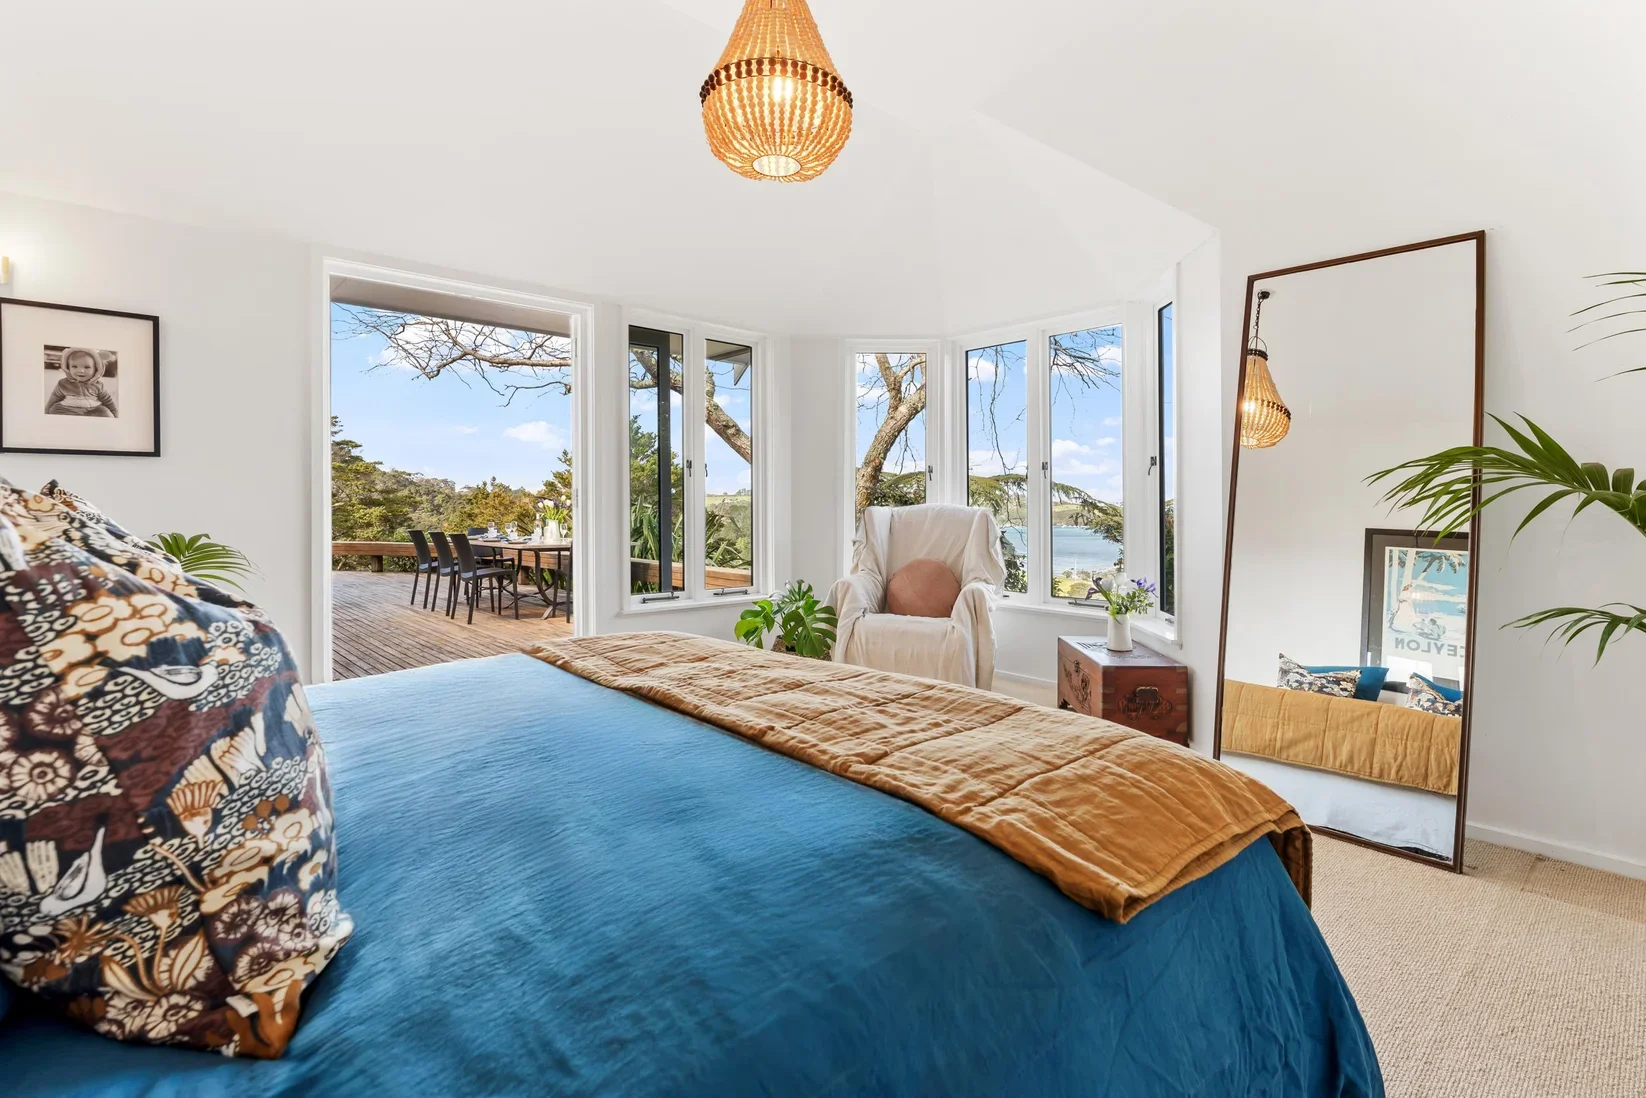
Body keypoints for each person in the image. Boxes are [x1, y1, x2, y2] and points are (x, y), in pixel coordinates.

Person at [45, 348, 117, 417]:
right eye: (74, 366)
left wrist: (115, 413)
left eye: (87, 367)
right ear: (67, 367)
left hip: (94, 409)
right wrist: (46, 411)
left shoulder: (98, 385)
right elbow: (54, 398)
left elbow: (107, 400)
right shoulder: (63, 383)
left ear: (96, 369)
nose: (81, 371)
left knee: (106, 413)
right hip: (68, 408)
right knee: (53, 410)